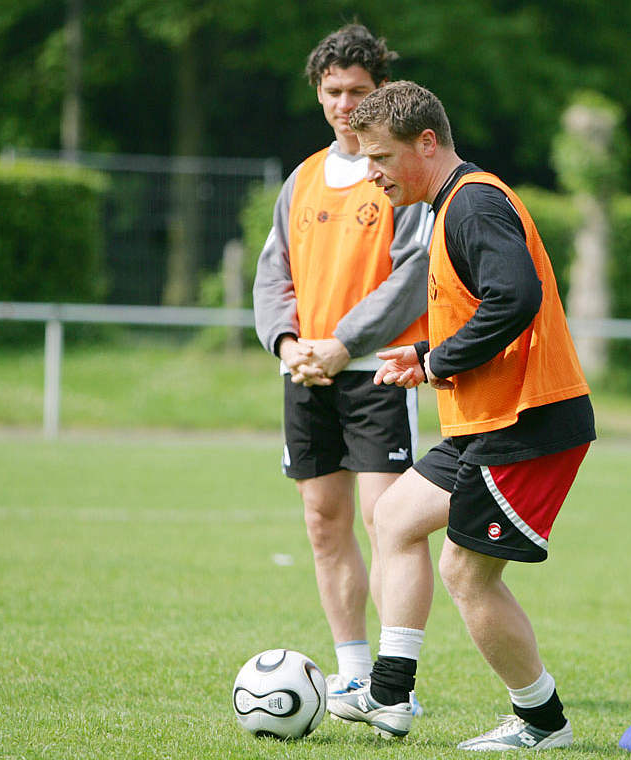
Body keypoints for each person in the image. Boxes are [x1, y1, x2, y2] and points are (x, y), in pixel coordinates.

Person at [326, 81, 595, 751]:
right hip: (489, 420)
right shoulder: (451, 206)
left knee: (465, 574)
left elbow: (515, 298)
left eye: (381, 158)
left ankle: (542, 723)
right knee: (391, 517)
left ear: (426, 142)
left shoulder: (472, 204)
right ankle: (390, 693)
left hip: (528, 422)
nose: (373, 175)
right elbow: (489, 305)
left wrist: (437, 361)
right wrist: (425, 353)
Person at [251, 23, 429, 700]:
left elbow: (411, 274)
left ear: (382, 90)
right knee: (324, 523)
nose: (345, 102)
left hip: (377, 372)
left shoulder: (401, 175)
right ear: (318, 94)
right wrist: (289, 343)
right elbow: (274, 276)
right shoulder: (301, 180)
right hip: (308, 374)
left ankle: (394, 682)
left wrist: (343, 342)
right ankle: (351, 668)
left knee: (389, 525)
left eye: (359, 90)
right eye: (333, 90)